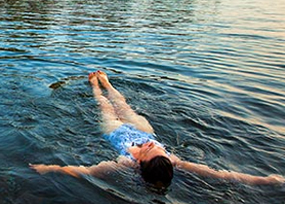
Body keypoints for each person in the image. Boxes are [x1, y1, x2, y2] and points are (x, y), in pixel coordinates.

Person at [30, 70, 285, 188]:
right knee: (122, 102)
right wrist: (268, 179)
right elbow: (225, 175)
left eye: (149, 151)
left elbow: (85, 171)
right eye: (158, 150)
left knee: (105, 106)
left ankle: (96, 87)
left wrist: (50, 168)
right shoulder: (170, 160)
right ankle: (106, 81)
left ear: (139, 162)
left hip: (118, 133)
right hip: (142, 129)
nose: (153, 147)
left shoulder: (124, 163)